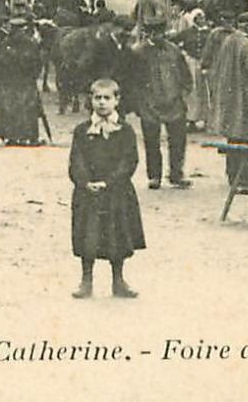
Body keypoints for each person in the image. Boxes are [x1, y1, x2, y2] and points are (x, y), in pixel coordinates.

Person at [69, 79, 144, 299]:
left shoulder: (125, 130)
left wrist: (109, 182)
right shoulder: (82, 130)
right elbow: (76, 160)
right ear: (90, 100)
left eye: (107, 98)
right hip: (88, 192)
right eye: (97, 98)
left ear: (117, 100)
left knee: (117, 234)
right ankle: (86, 280)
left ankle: (118, 280)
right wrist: (84, 182)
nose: (102, 103)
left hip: (116, 192)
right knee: (87, 234)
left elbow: (129, 161)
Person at [203, 14, 248, 182]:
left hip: (230, 96)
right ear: (246, 25)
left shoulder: (229, 41)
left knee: (233, 137)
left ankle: (233, 175)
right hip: (246, 98)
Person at [133, 30, 192, 189]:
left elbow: (185, 73)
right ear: (147, 32)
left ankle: (176, 173)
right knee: (152, 140)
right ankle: (154, 176)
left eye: (159, 29)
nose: (156, 35)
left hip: (173, 102)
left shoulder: (173, 50)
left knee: (178, 139)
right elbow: (133, 79)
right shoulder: (138, 52)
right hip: (150, 102)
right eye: (153, 30)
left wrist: (184, 91)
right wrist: (138, 102)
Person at [0, 21, 47, 145]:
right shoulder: (31, 43)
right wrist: (33, 76)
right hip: (26, 82)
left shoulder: (5, 43)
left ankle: (11, 137)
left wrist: (0, 78)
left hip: (8, 82)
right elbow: (38, 63)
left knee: (10, 108)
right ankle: (29, 137)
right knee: (29, 108)